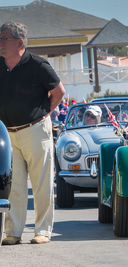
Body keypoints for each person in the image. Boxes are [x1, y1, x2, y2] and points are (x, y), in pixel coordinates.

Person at [0, 21, 65, 245]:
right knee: (13, 185)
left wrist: (45, 113)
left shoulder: (37, 64)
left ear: (19, 42)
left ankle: (43, 231)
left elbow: (58, 91)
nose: (0, 43)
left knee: (41, 184)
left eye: (3, 39)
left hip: (35, 130)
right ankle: (13, 232)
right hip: (7, 134)